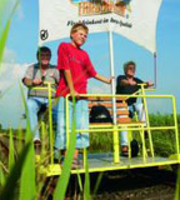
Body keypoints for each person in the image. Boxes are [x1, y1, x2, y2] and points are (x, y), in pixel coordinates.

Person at [55, 23, 112, 166]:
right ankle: (65, 156)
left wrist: (107, 80)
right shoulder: (64, 47)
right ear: (72, 34)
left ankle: (74, 157)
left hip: (81, 95)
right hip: (66, 94)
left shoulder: (84, 54)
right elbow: (66, 68)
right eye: (81, 34)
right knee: (64, 124)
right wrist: (72, 89)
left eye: (86, 36)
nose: (83, 37)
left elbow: (92, 72)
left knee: (80, 125)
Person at [23, 46, 59, 151]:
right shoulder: (32, 68)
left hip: (51, 99)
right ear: (37, 57)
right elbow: (26, 81)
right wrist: (33, 82)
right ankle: (36, 139)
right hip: (36, 98)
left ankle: (58, 146)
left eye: (47, 55)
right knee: (29, 105)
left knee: (59, 113)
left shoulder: (55, 69)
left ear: (51, 57)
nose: (45, 57)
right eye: (42, 55)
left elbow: (61, 82)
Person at [116, 61, 153, 156]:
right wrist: (129, 82)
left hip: (132, 105)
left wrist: (148, 84)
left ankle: (144, 128)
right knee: (123, 118)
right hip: (122, 106)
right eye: (130, 68)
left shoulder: (137, 80)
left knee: (141, 106)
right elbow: (122, 82)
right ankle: (124, 146)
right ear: (125, 70)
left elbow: (144, 85)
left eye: (133, 68)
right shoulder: (121, 78)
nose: (132, 70)